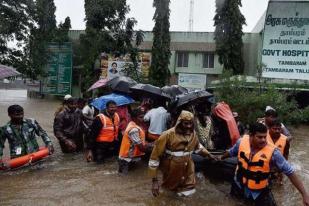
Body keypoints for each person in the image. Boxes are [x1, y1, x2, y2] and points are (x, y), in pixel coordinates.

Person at [220, 122, 309, 206]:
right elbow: (231, 152)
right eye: (259, 137)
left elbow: (290, 172)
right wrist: (220, 158)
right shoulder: (241, 142)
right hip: (238, 185)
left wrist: (304, 194)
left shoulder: (274, 153)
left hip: (259, 191)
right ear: (251, 135)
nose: (263, 140)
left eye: (265, 137)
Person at [149, 110, 217, 197]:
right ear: (180, 122)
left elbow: (198, 147)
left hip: (188, 167)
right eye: (186, 123)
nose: (188, 126)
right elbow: (154, 158)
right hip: (171, 168)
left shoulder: (193, 134)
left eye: (190, 123)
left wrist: (209, 155)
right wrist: (154, 180)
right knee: (169, 192)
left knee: (189, 190)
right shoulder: (167, 135)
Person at [118, 108, 150, 175]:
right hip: (126, 160)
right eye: (140, 117)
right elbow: (141, 148)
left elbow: (140, 141)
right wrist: (154, 148)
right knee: (124, 178)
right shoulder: (134, 129)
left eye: (143, 117)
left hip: (131, 157)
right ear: (134, 118)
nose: (143, 119)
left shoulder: (133, 124)